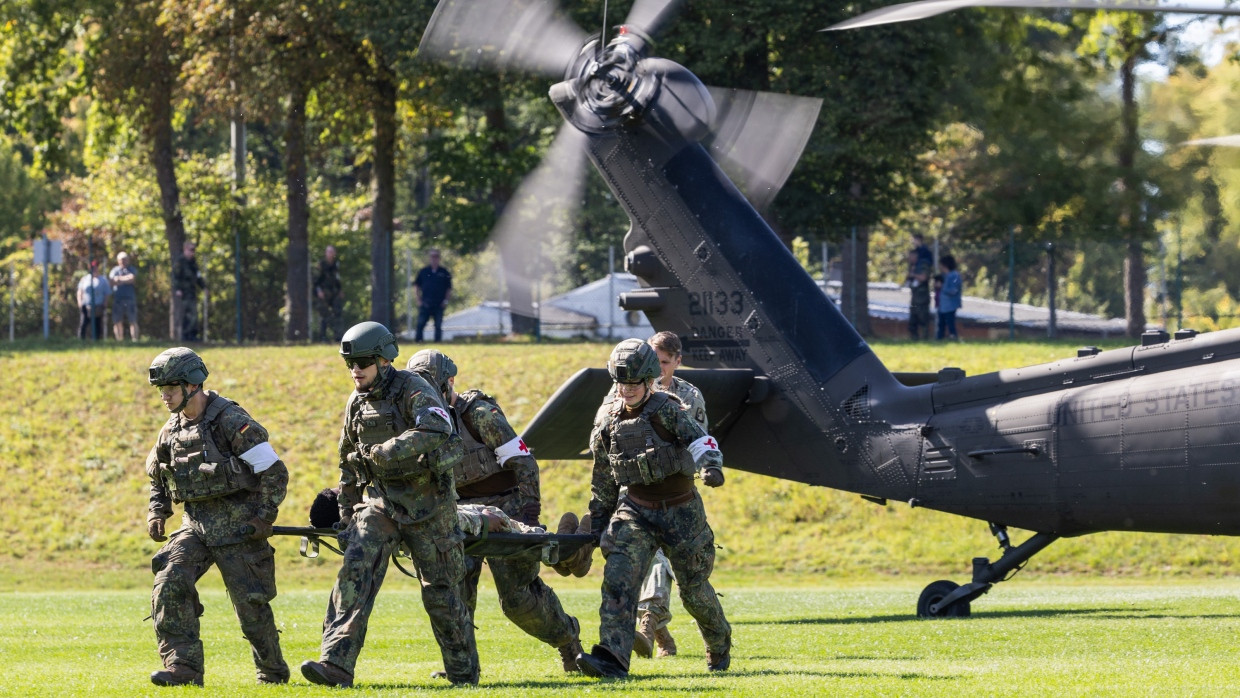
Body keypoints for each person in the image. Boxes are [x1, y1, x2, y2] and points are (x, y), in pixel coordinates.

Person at [301, 322, 479, 688]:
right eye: (350, 363)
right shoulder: (356, 403)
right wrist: (347, 514)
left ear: (384, 360)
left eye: (363, 362)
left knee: (441, 593)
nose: (355, 370)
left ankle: (463, 673)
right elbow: (348, 461)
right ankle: (335, 664)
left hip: (430, 507)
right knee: (354, 575)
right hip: (381, 504)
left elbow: (438, 429)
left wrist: (391, 450)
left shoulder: (414, 388)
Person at [407, 349, 584, 674]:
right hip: (458, 512)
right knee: (453, 592)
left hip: (506, 509)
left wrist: (529, 518)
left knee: (518, 600)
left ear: (449, 382)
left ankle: (568, 641)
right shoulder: (421, 422)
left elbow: (524, 463)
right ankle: (462, 667)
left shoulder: (480, 415)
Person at [576, 339, 731, 679]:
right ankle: (612, 659)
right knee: (618, 582)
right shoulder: (608, 421)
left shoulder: (668, 409)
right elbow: (603, 478)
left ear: (648, 380)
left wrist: (711, 466)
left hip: (681, 510)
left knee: (694, 591)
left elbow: (699, 439)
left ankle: (719, 643)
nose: (627, 389)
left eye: (634, 382)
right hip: (635, 511)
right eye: (622, 382)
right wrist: (598, 523)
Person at [144, 347, 290, 687]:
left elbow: (274, 472)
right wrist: (158, 512)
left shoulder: (231, 421)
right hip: (195, 527)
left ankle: (272, 671)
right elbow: (159, 477)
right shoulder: (171, 430)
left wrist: (264, 518)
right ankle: (183, 667)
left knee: (250, 608)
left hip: (240, 529)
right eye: (162, 389)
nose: (164, 396)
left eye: (171, 388)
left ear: (192, 385)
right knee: (169, 582)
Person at [631, 331, 708, 660]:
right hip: (634, 490)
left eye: (664, 361)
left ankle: (652, 625)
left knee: (672, 563)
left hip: (675, 492)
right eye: (653, 360)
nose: (657, 367)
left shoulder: (689, 396)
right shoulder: (628, 390)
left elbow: (700, 440)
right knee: (639, 561)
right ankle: (654, 629)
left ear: (677, 361)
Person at [413, 249, 452, 343]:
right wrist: (418, 299)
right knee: (420, 323)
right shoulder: (423, 271)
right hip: (426, 303)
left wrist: (445, 301)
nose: (434, 259)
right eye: (432, 256)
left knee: (438, 325)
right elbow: (416, 286)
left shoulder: (444, 272)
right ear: (429, 258)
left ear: (439, 258)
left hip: (439, 304)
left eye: (436, 256)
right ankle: (419, 341)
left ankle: (438, 342)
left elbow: (449, 288)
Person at [173, 241, 206, 341]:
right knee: (186, 314)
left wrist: (204, 287)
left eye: (194, 250)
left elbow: (198, 276)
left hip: (192, 292)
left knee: (194, 313)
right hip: (184, 293)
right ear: (185, 249)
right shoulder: (180, 262)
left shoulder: (193, 262)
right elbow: (175, 277)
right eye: (191, 250)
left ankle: (192, 335)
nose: (193, 252)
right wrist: (178, 289)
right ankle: (185, 335)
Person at [313, 245, 343, 342]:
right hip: (323, 293)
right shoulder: (321, 264)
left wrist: (340, 290)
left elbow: (337, 279)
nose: (330, 254)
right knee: (324, 315)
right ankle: (323, 337)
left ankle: (338, 337)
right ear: (325, 253)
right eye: (328, 252)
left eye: (332, 252)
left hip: (334, 293)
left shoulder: (336, 265)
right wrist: (319, 291)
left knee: (337, 313)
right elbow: (316, 280)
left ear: (335, 253)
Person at [76, 260, 111, 340]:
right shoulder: (85, 279)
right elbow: (80, 291)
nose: (94, 269)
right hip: (86, 306)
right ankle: (81, 340)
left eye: (95, 267)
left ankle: (96, 340)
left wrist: (105, 304)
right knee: (84, 323)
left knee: (97, 324)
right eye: (92, 267)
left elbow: (107, 293)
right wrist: (80, 302)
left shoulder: (103, 280)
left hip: (98, 306)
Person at [110, 251, 139, 341]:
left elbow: (132, 279)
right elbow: (112, 281)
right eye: (121, 260)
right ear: (118, 260)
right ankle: (119, 339)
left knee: (132, 320)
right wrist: (125, 279)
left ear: (128, 260)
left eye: (125, 259)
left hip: (130, 299)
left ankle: (134, 339)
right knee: (117, 320)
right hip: (118, 299)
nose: (123, 261)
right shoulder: (115, 270)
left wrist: (119, 279)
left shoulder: (132, 269)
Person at [906, 248, 931, 340]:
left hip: (922, 299)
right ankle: (914, 339)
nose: (909, 258)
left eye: (911, 256)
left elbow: (924, 277)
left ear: (915, 256)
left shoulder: (923, 265)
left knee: (923, 319)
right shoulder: (912, 266)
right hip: (914, 298)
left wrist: (913, 275)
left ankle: (925, 338)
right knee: (913, 321)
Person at [936, 254, 962, 341]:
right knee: (941, 325)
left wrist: (942, 287)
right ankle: (939, 340)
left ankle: (954, 338)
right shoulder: (943, 276)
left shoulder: (954, 275)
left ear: (945, 265)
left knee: (950, 324)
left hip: (950, 306)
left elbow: (954, 290)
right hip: (942, 305)